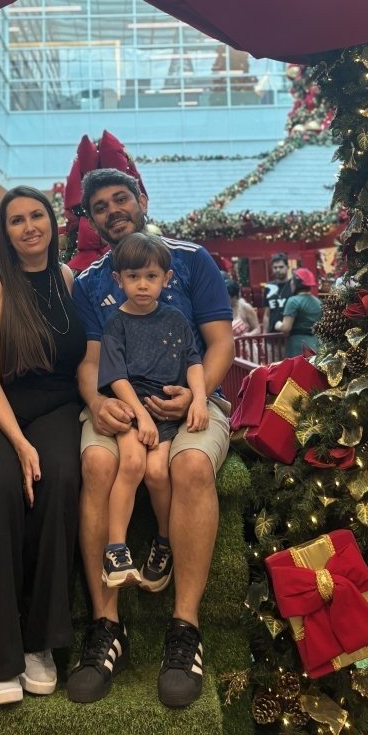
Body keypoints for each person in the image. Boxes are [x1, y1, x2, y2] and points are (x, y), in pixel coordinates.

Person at [68, 170, 234, 709]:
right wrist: (98, 404)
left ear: (141, 199)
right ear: (91, 220)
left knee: (190, 467)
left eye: (121, 199)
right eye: (100, 206)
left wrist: (195, 396)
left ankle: (185, 628)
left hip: (191, 402)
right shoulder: (91, 283)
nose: (112, 210)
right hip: (120, 405)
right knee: (97, 464)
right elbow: (91, 361)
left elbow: (219, 343)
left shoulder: (191, 260)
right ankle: (106, 625)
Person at [0, 187, 86, 707]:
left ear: (52, 222)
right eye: (16, 220)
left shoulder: (67, 279)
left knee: (61, 478)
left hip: (56, 408)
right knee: (1, 485)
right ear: (3, 233)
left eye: (36, 216)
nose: (29, 227)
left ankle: (39, 644)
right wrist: (21, 444)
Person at [98, 233, 208, 590]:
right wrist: (141, 416)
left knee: (158, 471)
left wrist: (199, 399)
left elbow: (193, 361)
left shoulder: (175, 319)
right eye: (133, 277)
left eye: (151, 276)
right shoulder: (116, 323)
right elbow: (116, 377)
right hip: (132, 409)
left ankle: (164, 542)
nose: (142, 285)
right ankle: (115, 550)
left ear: (166, 278)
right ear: (119, 279)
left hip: (167, 410)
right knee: (132, 463)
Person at [279, 267, 323, 359]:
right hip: (316, 344)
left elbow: (286, 328)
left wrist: (277, 325)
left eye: (292, 281)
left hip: (298, 346)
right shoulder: (318, 302)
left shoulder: (293, 301)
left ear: (296, 283)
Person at [263, 253, 294, 333]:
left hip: (290, 333)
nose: (278, 270)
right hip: (272, 334)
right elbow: (267, 314)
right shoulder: (269, 287)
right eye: (275, 267)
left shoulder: (293, 285)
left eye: (281, 267)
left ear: (287, 267)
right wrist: (264, 334)